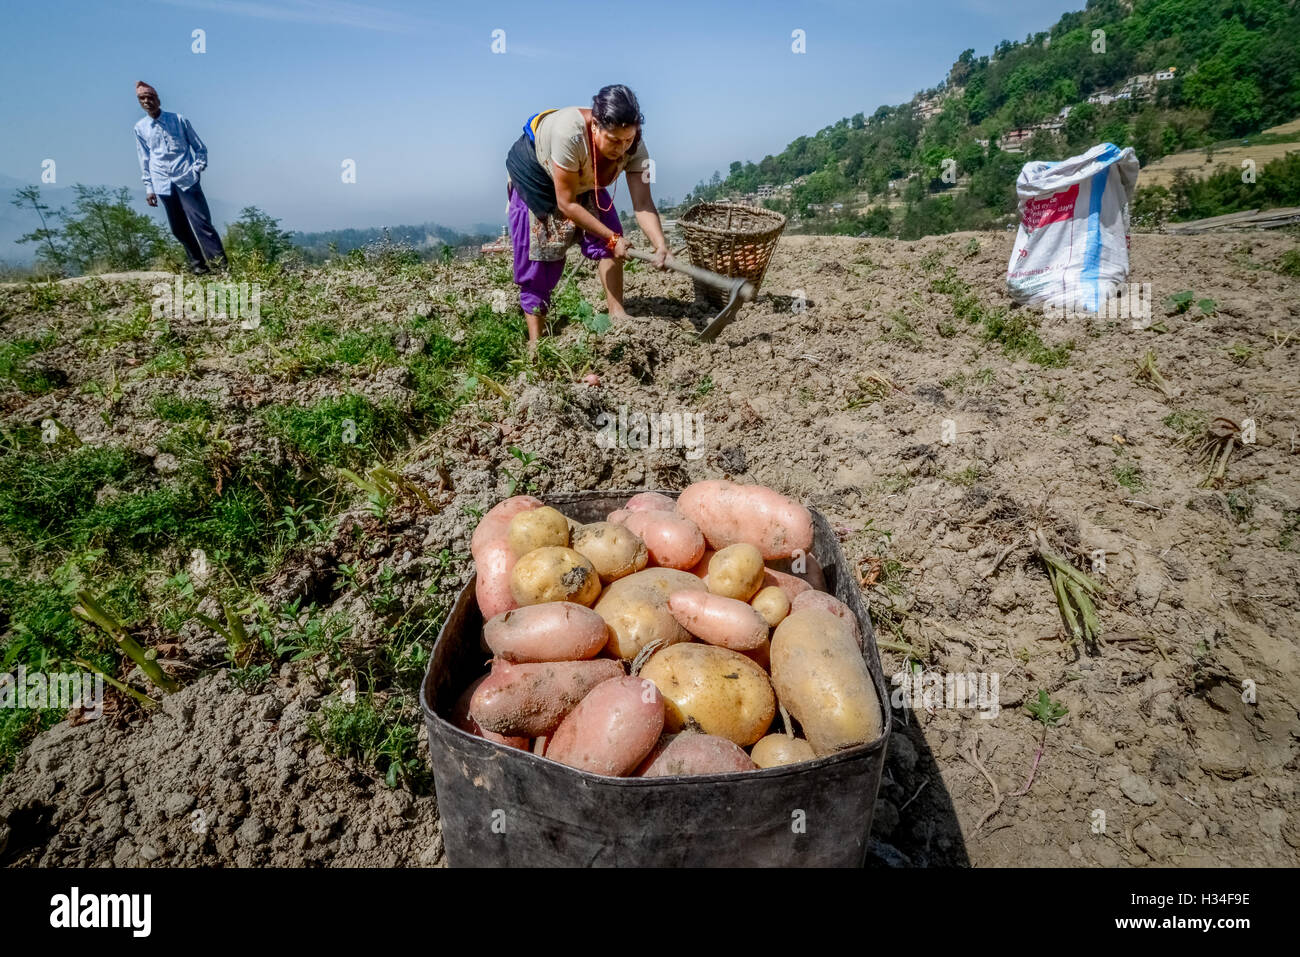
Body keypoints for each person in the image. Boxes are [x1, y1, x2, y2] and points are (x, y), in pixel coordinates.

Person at [505, 85, 670, 342]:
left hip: (583, 179)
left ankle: (617, 313)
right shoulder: (569, 134)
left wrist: (660, 245)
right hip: (538, 174)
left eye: (628, 139)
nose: (621, 148)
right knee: (539, 260)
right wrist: (613, 239)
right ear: (595, 126)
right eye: (614, 140)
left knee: (611, 236)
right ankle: (537, 345)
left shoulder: (638, 149)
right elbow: (567, 204)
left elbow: (644, 203)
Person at [133, 81, 227, 275]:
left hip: (186, 178)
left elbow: (200, 148)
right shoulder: (140, 128)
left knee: (202, 224)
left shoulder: (178, 120)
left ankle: (221, 268)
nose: (147, 101)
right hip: (162, 183)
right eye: (142, 98)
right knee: (178, 228)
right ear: (139, 102)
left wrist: (196, 170)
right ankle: (198, 266)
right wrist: (149, 187)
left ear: (158, 99)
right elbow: (144, 157)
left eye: (150, 97)